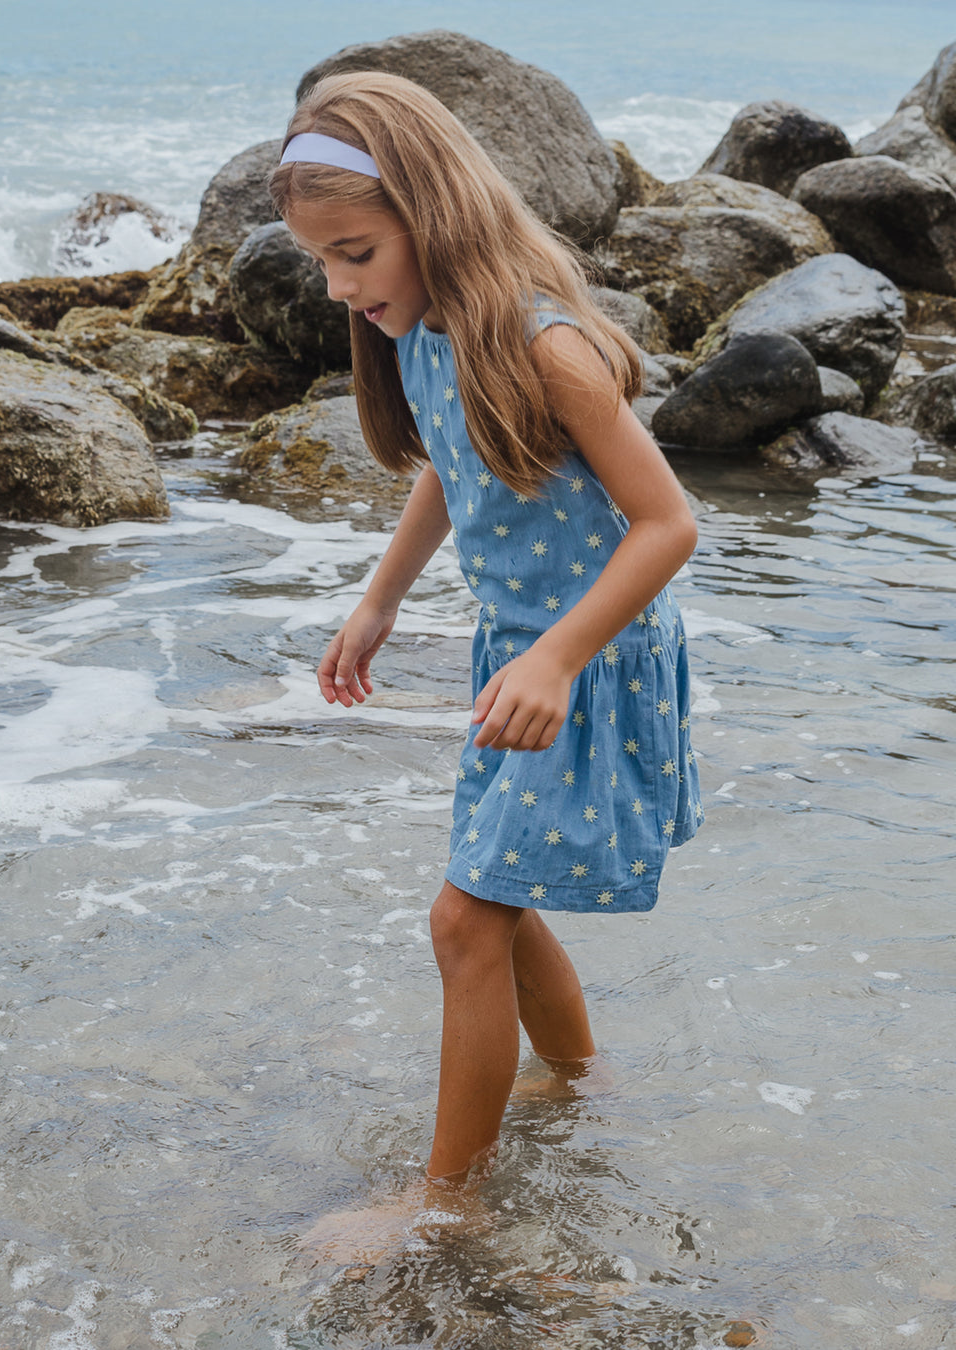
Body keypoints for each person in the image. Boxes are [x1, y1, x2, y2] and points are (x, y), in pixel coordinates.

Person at [269, 72, 703, 1192]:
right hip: (516, 653)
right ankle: (579, 1079)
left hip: (587, 662)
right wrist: (380, 601)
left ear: (432, 212)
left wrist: (560, 656)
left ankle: (445, 1203)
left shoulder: (547, 345)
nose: (337, 284)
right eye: (324, 260)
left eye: (355, 251)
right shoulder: (430, 334)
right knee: (493, 908)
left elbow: (667, 524)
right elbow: (453, 471)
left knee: (465, 920)